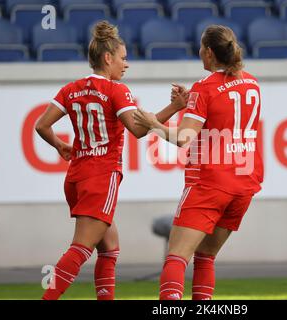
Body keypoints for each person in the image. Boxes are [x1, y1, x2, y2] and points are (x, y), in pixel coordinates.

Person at [35, 21, 186, 300]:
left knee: (109, 246)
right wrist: (175, 107)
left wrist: (59, 145)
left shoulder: (72, 89)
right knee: (80, 248)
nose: (126, 65)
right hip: (101, 177)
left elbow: (41, 125)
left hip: (76, 177)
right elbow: (139, 130)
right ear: (108, 58)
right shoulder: (117, 91)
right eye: (123, 58)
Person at [133, 25, 264, 300]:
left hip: (211, 182)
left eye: (201, 49)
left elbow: (183, 138)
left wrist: (153, 124)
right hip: (244, 183)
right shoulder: (252, 82)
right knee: (205, 257)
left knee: (177, 258)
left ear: (208, 52)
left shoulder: (204, 89)